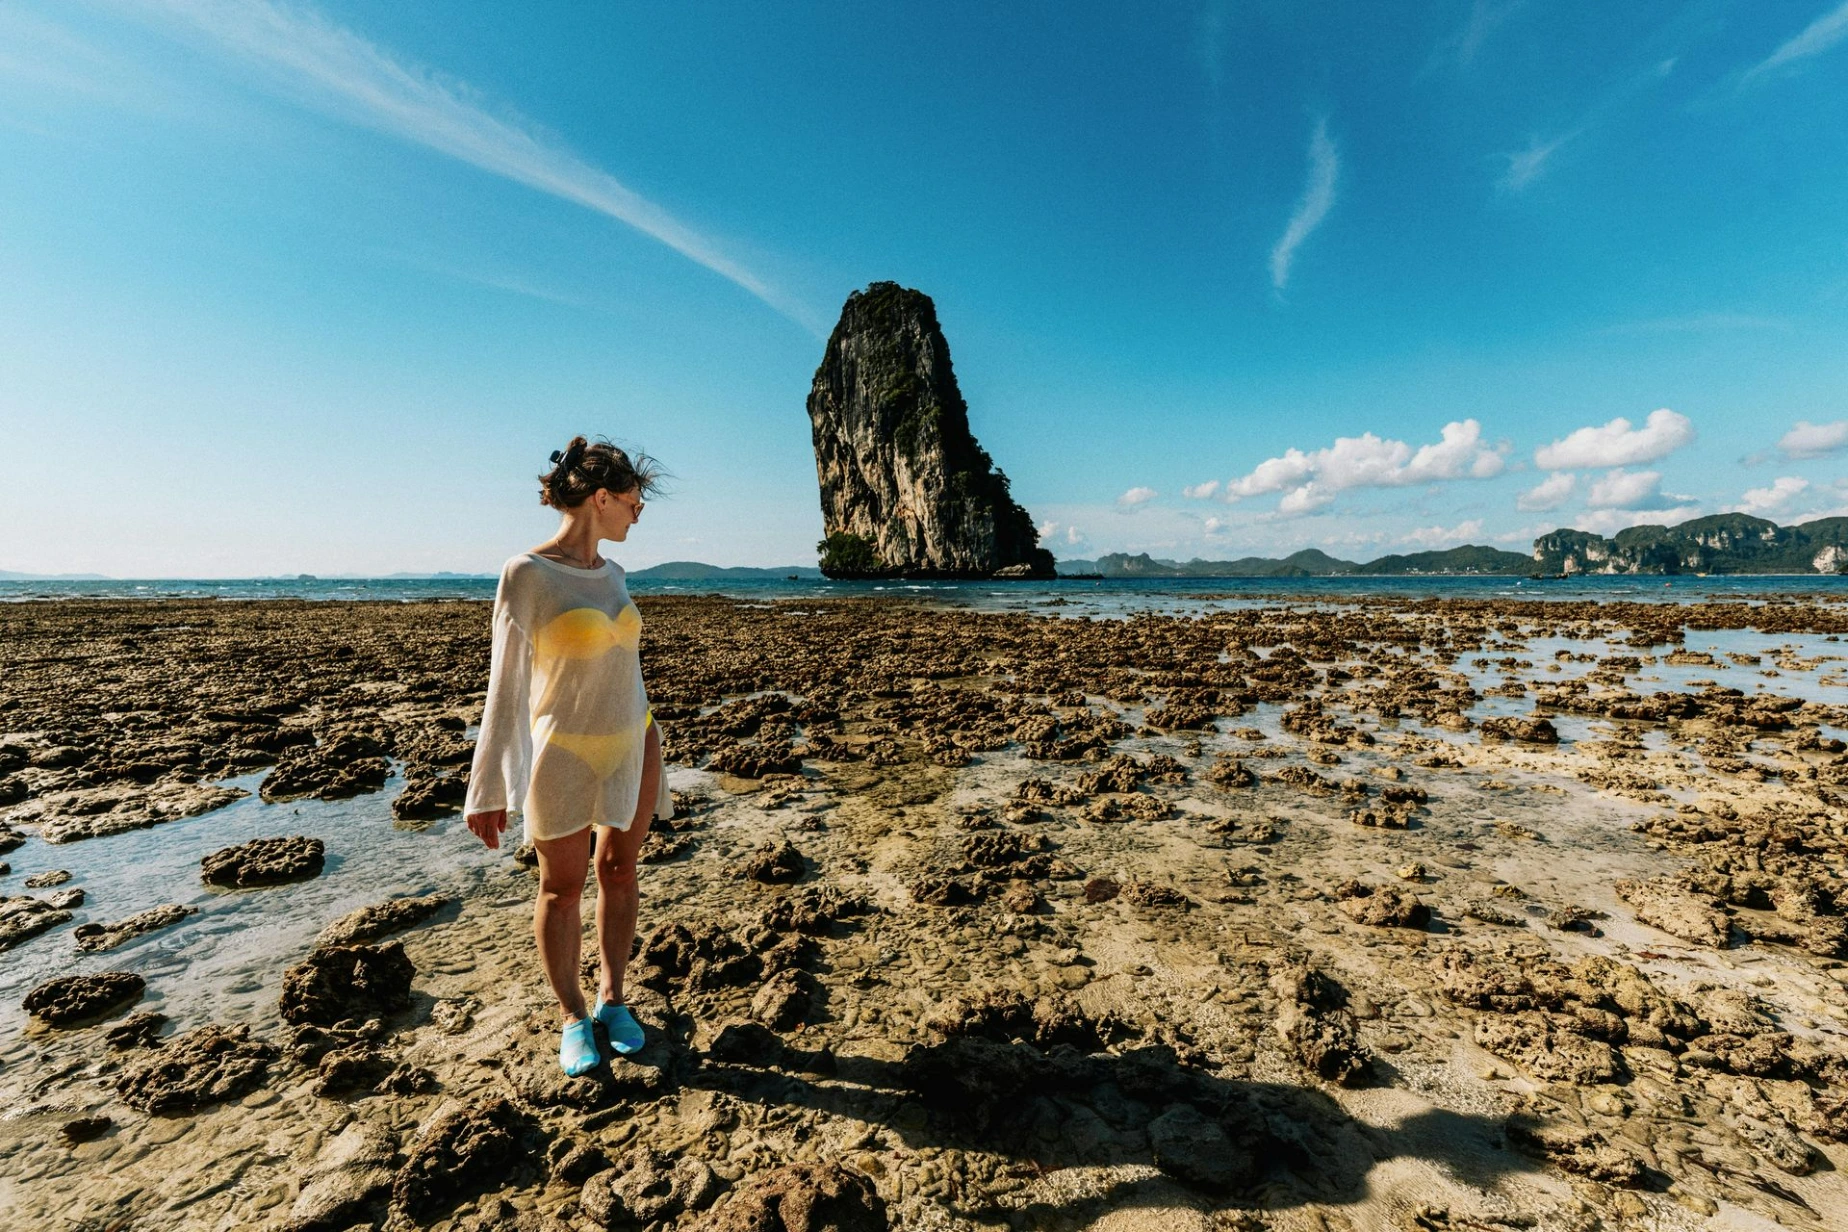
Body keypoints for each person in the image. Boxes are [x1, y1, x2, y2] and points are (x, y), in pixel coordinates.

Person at [463, 435, 671, 1076]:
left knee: (620, 872)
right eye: (635, 501)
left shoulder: (616, 575)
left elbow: (627, 672)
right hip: (564, 753)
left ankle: (613, 999)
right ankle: (572, 1016)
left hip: (633, 740)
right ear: (602, 497)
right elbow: (506, 684)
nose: (639, 513)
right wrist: (488, 785)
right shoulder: (526, 574)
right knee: (561, 888)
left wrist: (653, 749)